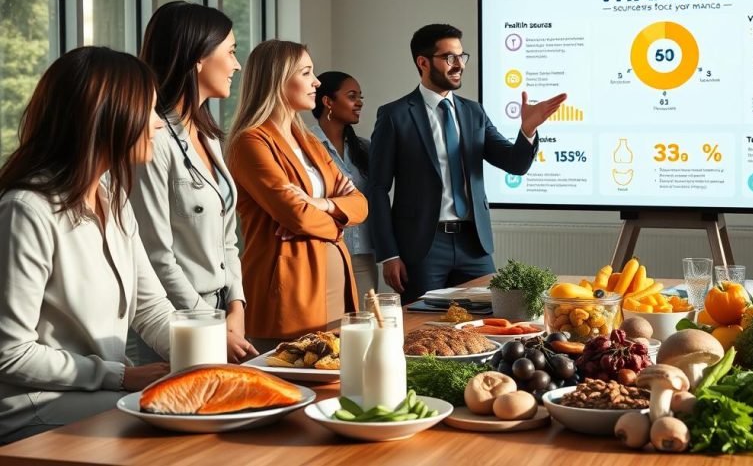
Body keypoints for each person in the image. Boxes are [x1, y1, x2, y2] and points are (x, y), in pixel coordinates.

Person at [0, 47, 175, 443]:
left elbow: (151, 309)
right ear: (109, 116)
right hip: (34, 407)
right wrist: (120, 376)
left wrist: (211, 353)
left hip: (99, 394)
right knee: (170, 422)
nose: (158, 124)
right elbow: (10, 353)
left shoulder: (113, 199)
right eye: (147, 110)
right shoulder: (27, 210)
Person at [369, 23, 567, 304]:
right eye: (449, 57)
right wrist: (389, 254)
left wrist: (528, 130)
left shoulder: (473, 112)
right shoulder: (395, 115)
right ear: (423, 62)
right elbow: (377, 189)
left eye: (462, 56)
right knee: (422, 329)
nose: (459, 64)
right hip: (422, 247)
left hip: (474, 245)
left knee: (489, 319)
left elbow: (515, 164)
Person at [130, 1, 257, 365]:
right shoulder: (154, 141)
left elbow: (228, 239)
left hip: (223, 312)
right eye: (231, 52)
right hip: (176, 321)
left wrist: (236, 305)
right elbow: (157, 256)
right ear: (199, 56)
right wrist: (209, 323)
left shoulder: (210, 137)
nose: (236, 65)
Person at [227, 40, 367, 352]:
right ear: (278, 80)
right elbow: (296, 215)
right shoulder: (250, 143)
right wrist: (336, 227)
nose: (317, 81)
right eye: (306, 73)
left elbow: (360, 203)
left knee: (335, 393)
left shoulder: (310, 142)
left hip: (337, 291)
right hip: (289, 294)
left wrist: (324, 204)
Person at [311, 71, 378, 298]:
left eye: (360, 97)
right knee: (329, 329)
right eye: (352, 96)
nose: (359, 103)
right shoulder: (306, 145)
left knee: (366, 323)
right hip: (324, 253)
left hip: (363, 256)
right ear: (328, 101)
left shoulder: (365, 148)